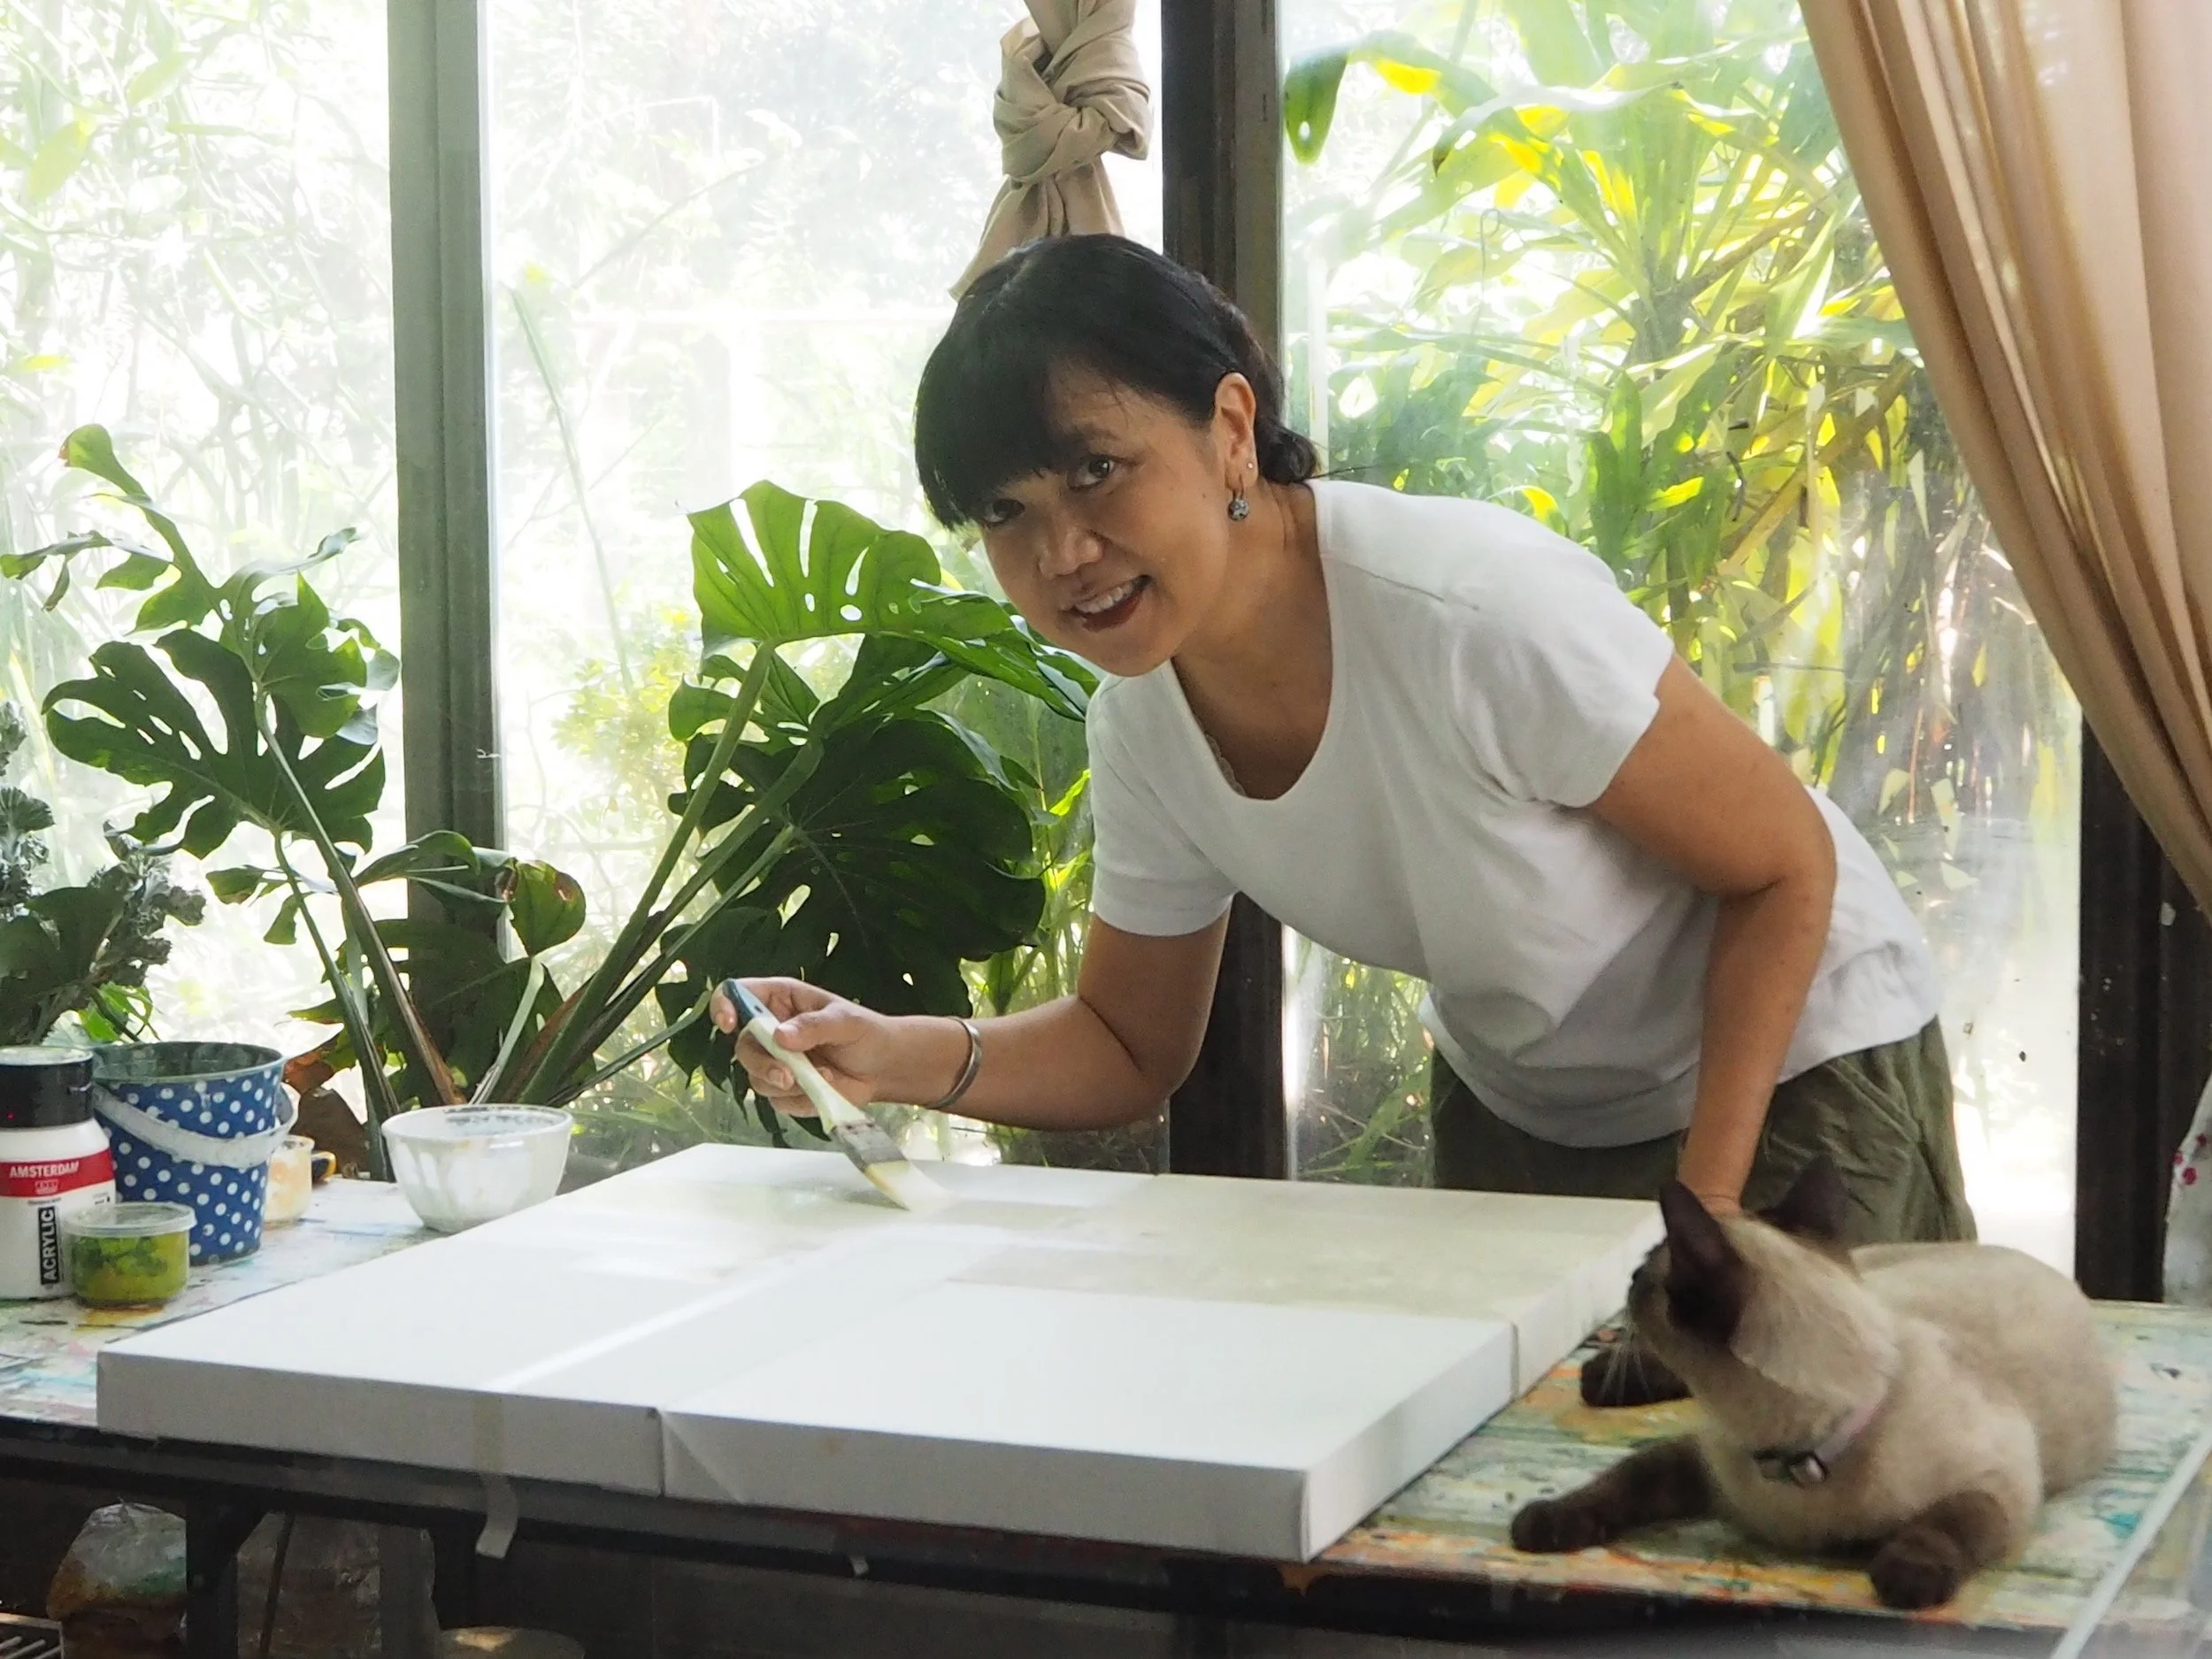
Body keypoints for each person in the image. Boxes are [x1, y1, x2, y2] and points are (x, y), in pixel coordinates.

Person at [711, 234, 1971, 1247]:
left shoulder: (1471, 611)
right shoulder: (1143, 719)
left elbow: (1782, 864)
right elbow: (1128, 1042)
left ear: (1229, 426)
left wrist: (1707, 1213)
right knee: (1517, 1476)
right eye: (1005, 511)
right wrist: (884, 1052)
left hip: (1791, 1066)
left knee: (1812, 1466)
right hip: (1528, 1103)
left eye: (1096, 470)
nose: (1063, 554)